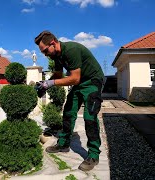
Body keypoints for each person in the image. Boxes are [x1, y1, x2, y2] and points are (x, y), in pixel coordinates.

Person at [34, 30, 105, 171]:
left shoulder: (71, 50)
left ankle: (93, 155)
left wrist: (51, 83)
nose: (44, 54)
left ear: (53, 43)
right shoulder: (57, 56)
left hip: (93, 81)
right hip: (80, 83)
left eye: (45, 50)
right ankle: (64, 144)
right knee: (68, 112)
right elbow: (59, 75)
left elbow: (75, 78)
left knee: (89, 116)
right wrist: (45, 83)